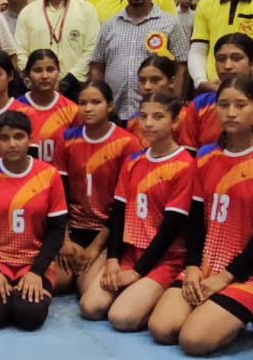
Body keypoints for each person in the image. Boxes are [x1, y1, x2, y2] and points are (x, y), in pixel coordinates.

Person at [148, 76, 253, 353]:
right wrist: (192, 266)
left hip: (251, 272)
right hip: (206, 264)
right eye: (224, 105)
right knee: (162, 329)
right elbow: (195, 220)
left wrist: (225, 277)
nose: (231, 112)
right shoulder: (205, 156)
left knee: (193, 341)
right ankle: (217, 311)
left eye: (241, 105)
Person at [80, 92, 194, 331]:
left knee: (122, 318)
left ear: (175, 122)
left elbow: (171, 228)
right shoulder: (133, 161)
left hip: (165, 258)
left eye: (158, 117)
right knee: (90, 307)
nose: (148, 123)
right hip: (131, 252)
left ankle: (161, 299)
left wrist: (137, 272)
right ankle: (139, 295)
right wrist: (113, 259)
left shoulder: (184, 165)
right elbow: (119, 213)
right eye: (143, 116)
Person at [0, 111, 69, 331]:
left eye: (18, 137)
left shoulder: (49, 175)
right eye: (4, 138)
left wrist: (36, 272)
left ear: (30, 139)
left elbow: (56, 232)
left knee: (29, 316)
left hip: (33, 261)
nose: (12, 144)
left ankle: (23, 290)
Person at [52, 80, 138, 294]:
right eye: (82, 103)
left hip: (107, 232)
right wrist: (64, 240)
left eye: (95, 102)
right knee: (55, 283)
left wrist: (95, 248)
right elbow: (59, 193)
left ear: (110, 105)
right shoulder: (66, 139)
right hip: (73, 230)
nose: (88, 108)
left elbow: (123, 205)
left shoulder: (127, 143)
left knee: (87, 290)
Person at [89, 0, 189, 122]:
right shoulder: (109, 26)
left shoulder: (170, 24)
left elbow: (181, 66)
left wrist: (175, 104)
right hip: (115, 115)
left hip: (156, 116)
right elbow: (97, 67)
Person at [180, 33, 253, 153]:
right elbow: (189, 156)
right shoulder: (199, 105)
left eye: (236, 58)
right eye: (221, 59)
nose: (227, 66)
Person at [14, 0, 100, 101]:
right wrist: (34, 77)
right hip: (36, 90)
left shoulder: (86, 10)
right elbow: (19, 52)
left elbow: (92, 50)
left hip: (76, 89)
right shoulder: (28, 12)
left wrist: (68, 80)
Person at [10, 49, 79, 165]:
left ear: (58, 71)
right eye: (38, 70)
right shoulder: (15, 109)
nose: (45, 76)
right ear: (28, 74)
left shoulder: (72, 110)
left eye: (50, 70)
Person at [124, 55, 184, 146]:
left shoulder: (185, 117)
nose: (147, 87)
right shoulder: (133, 120)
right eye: (142, 80)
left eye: (155, 80)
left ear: (171, 82)